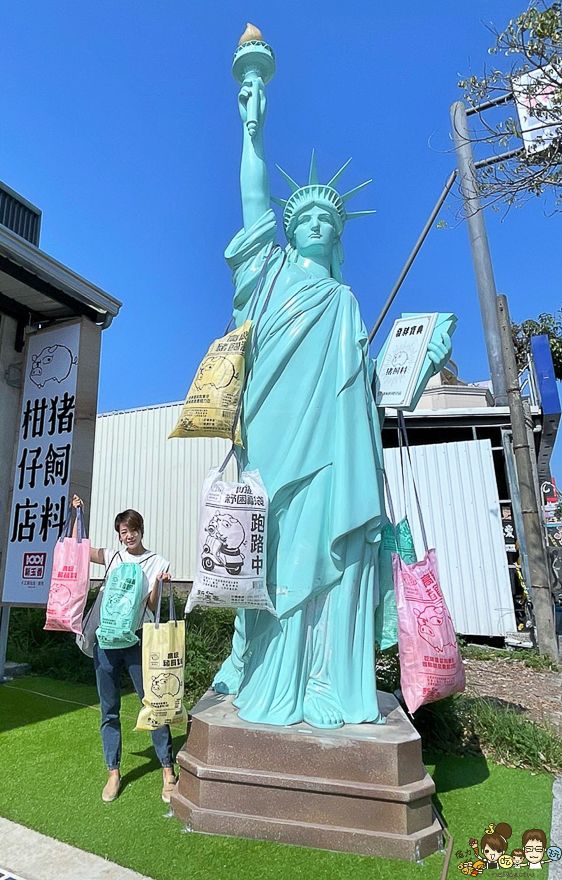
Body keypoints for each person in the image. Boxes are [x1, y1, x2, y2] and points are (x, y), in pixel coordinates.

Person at [212, 67, 452, 728]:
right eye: (307, 215)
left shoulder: (345, 301)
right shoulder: (270, 271)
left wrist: (417, 367)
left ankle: (325, 679)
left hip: (332, 451)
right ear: (292, 227)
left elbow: (363, 387)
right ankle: (269, 677)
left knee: (335, 555)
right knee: (275, 553)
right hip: (273, 437)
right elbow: (252, 200)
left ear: (338, 235)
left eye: (328, 217)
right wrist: (251, 131)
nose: (316, 222)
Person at [72, 494, 176, 803]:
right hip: (107, 642)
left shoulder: (158, 561)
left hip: (138, 641)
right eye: (122, 532)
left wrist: (159, 582)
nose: (127, 536)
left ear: (141, 530)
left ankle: (168, 770)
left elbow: (154, 607)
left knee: (155, 704)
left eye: (131, 530)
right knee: (109, 708)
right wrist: (78, 514)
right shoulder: (113, 557)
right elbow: (77, 550)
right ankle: (113, 772)